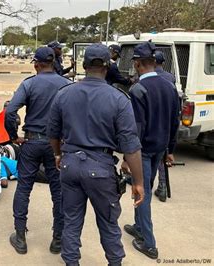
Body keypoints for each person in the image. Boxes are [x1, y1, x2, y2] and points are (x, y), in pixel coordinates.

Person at [47, 43, 145, 265]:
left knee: (71, 222)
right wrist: (138, 182)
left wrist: (58, 155)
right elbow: (131, 145)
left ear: (83, 65)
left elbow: (52, 133)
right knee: (109, 223)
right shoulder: (119, 99)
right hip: (100, 168)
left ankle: (71, 262)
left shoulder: (63, 94)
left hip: (70, 164)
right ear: (108, 66)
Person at [4, 47, 71, 255]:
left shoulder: (29, 84)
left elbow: (11, 111)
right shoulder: (67, 85)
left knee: (24, 187)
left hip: (32, 142)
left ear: (36, 64)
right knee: (58, 191)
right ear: (53, 63)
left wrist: (13, 136)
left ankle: (20, 237)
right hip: (57, 146)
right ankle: (58, 239)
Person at [122, 42, 179, 260]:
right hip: (160, 147)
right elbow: (175, 122)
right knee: (145, 187)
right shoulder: (169, 86)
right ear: (154, 62)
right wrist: (170, 149)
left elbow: (136, 128)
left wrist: (128, 157)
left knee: (141, 192)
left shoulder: (138, 89)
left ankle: (149, 242)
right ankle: (138, 226)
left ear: (137, 63)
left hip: (142, 150)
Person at [153, 50, 176, 202]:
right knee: (162, 154)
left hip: (150, 121)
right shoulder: (170, 77)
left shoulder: (144, 77)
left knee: (146, 157)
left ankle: (142, 181)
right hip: (166, 120)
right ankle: (162, 185)